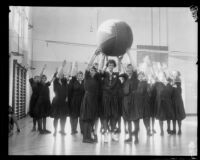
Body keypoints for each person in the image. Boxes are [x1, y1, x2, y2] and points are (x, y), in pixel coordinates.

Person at [80, 49, 101, 143]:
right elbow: (88, 65)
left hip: (94, 100)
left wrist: (102, 57)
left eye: (94, 70)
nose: (92, 71)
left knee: (92, 118)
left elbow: (100, 68)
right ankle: (86, 138)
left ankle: (89, 136)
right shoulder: (87, 76)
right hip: (88, 99)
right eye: (91, 70)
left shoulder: (97, 80)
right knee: (87, 119)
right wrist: (94, 55)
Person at [99, 55, 122, 142]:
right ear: (107, 66)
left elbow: (120, 70)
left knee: (114, 116)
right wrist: (104, 59)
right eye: (109, 65)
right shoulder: (104, 74)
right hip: (105, 98)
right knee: (105, 116)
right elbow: (101, 71)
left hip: (114, 99)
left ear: (114, 66)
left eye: (112, 65)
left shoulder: (116, 74)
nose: (111, 66)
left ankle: (112, 133)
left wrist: (119, 60)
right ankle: (105, 134)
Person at [120, 50, 139, 144]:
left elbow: (134, 65)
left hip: (134, 100)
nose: (129, 69)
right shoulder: (126, 78)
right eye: (128, 68)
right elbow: (123, 68)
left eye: (131, 68)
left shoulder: (135, 77)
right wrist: (120, 60)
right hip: (126, 101)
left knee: (135, 119)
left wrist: (128, 53)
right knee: (128, 120)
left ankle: (136, 138)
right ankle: (130, 137)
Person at [34, 64, 57, 134]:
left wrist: (56, 73)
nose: (43, 79)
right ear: (41, 79)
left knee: (44, 116)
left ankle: (44, 129)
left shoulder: (47, 84)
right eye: (42, 78)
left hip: (46, 102)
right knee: (40, 116)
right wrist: (43, 69)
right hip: (40, 102)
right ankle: (41, 130)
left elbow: (53, 79)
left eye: (45, 78)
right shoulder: (39, 84)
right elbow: (40, 76)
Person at [50, 60, 70, 136]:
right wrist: (62, 66)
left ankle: (62, 130)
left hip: (64, 102)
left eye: (62, 74)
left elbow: (67, 90)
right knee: (56, 118)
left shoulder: (64, 81)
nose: (61, 74)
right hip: (57, 102)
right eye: (60, 73)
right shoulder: (55, 82)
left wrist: (67, 97)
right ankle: (55, 131)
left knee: (63, 118)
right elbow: (58, 73)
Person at [69, 62, 85, 135]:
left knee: (82, 116)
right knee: (74, 117)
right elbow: (70, 92)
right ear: (77, 76)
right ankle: (73, 130)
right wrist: (75, 67)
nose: (80, 76)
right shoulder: (73, 81)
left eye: (81, 75)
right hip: (74, 101)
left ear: (83, 76)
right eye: (79, 75)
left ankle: (82, 130)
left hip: (82, 102)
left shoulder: (85, 82)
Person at [135, 72, 152, 136]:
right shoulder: (136, 83)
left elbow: (149, 92)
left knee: (146, 118)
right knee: (136, 118)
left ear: (143, 76)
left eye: (142, 76)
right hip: (138, 103)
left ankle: (148, 130)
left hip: (145, 103)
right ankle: (136, 130)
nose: (141, 77)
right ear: (138, 76)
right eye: (139, 76)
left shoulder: (146, 83)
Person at [171, 71, 186, 135]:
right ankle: (177, 130)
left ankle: (178, 130)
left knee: (176, 116)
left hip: (176, 102)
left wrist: (173, 84)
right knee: (176, 116)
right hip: (177, 102)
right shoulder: (177, 86)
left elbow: (175, 91)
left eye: (174, 73)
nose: (173, 74)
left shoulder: (177, 83)